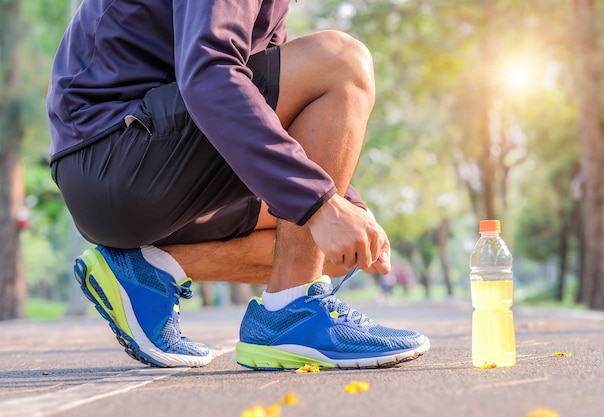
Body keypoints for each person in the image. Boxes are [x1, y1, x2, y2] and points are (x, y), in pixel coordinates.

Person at [47, 0, 430, 370]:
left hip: (144, 174)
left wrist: (347, 203)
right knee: (343, 61)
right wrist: (322, 203)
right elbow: (210, 72)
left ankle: (148, 269)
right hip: (114, 156)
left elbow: (270, 113)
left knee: (335, 247)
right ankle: (291, 315)